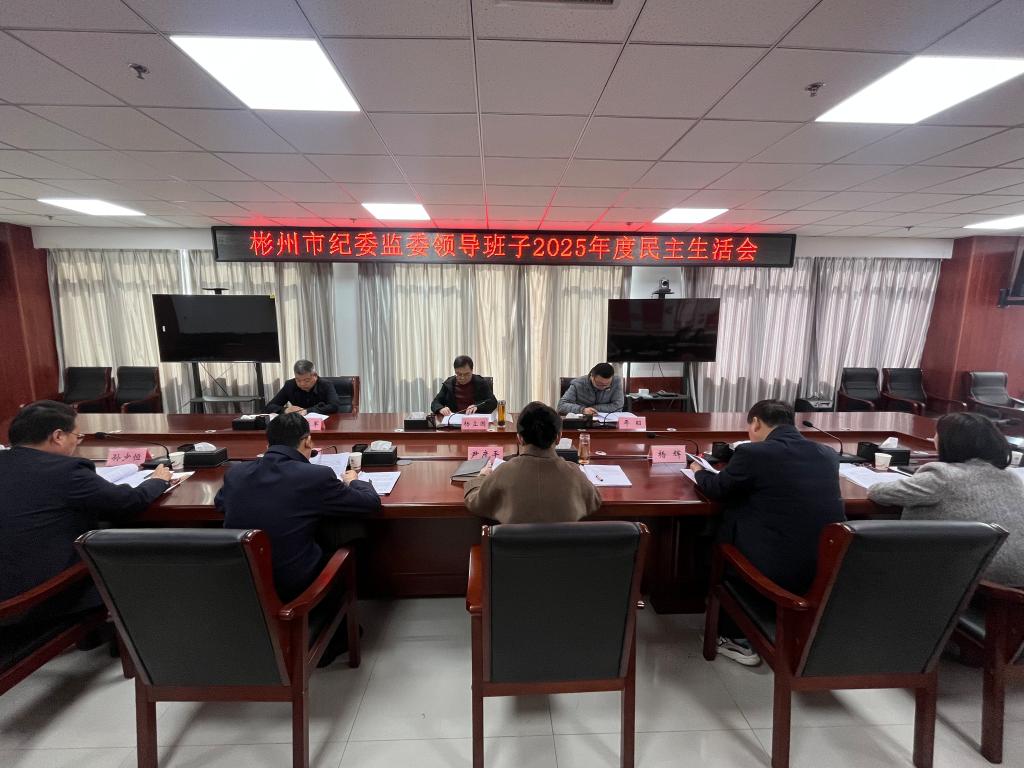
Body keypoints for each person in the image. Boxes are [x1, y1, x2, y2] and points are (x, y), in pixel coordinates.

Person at [215, 412, 380, 666]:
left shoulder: (236, 474)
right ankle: (333, 640)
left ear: (268, 443)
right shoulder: (315, 476)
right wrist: (355, 481)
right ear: (307, 441)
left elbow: (220, 503)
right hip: (292, 585)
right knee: (347, 541)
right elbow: (369, 503)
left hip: (242, 580)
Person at [690, 399, 845, 666]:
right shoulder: (827, 453)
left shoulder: (754, 453)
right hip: (824, 564)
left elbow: (717, 488)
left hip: (774, 568)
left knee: (714, 539)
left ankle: (734, 638)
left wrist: (697, 470)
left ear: (756, 423)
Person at [0, 400, 172, 623]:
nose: (77, 442)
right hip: (36, 602)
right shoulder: (65, 470)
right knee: (140, 553)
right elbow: (128, 501)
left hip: (9, 589)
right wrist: (158, 481)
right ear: (58, 436)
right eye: (77, 436)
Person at [868, 411, 1024, 584]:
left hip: (979, 575)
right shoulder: (1011, 475)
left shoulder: (943, 476)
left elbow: (878, 492)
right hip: (1018, 573)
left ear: (950, 442)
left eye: (937, 433)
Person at [464, 401, 601, 523]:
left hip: (516, 545)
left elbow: (475, 502)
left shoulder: (503, 472)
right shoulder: (573, 473)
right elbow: (595, 500)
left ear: (520, 438)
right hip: (563, 545)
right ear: (559, 437)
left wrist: (482, 477)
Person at [265, 359, 342, 415]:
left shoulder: (326, 385)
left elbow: (334, 406)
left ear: (315, 376)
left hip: (323, 424)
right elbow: (269, 407)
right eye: (298, 380)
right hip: (299, 426)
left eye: (306, 380)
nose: (302, 384)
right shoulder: (290, 385)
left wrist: (307, 411)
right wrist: (286, 410)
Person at [430, 355, 497, 416]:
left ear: (472, 370)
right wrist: (441, 409)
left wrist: (477, 406)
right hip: (454, 420)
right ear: (455, 371)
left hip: (475, 420)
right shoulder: (449, 384)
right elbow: (435, 402)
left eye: (466, 374)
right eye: (459, 374)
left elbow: (493, 402)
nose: (462, 378)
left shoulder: (480, 382)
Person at [557, 362, 625, 416]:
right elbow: (561, 406)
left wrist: (593, 408)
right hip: (583, 421)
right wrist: (583, 410)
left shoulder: (616, 381)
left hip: (608, 421)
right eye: (599, 384)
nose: (603, 387)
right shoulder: (578, 384)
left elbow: (618, 406)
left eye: (607, 385)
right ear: (592, 377)